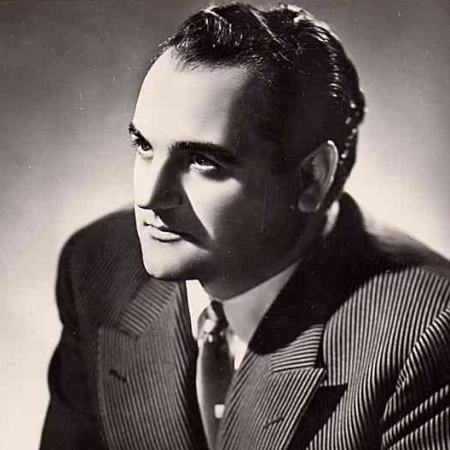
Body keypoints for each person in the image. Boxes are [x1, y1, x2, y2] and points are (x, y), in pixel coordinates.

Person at [40, 3, 450, 449]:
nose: (149, 197)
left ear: (311, 178)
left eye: (202, 160)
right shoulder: (97, 267)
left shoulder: (425, 331)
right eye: (144, 146)